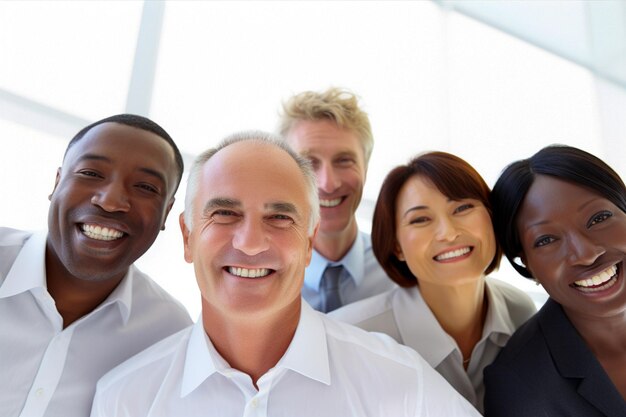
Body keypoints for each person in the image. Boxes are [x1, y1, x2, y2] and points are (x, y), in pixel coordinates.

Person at [90, 132, 482, 417]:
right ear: (188, 237)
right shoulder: (125, 399)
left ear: (309, 242)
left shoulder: (399, 383)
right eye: (225, 214)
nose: (251, 242)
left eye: (279, 217)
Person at [0, 114, 192, 417]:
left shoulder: (171, 333)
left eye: (145, 187)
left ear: (167, 212)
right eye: (91, 173)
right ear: (57, 182)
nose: (111, 201)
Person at [330, 151, 536, 413]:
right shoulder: (349, 338)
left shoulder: (521, 313)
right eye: (420, 219)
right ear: (397, 246)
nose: (448, 234)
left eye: (462, 208)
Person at [483, 145, 626, 416]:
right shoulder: (519, 387)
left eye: (599, 218)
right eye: (546, 240)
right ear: (526, 265)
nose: (585, 254)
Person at [279, 87, 395, 312]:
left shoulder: (402, 273)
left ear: (366, 167)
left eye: (344, 161)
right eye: (309, 162)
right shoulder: (255, 280)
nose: (327, 183)